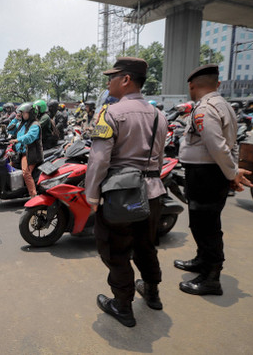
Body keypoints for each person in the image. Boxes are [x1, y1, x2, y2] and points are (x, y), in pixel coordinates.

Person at [85, 57, 168, 327]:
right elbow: (159, 158)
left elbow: (98, 161)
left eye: (112, 76)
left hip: (120, 196)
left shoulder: (110, 114)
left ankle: (123, 306)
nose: (108, 81)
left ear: (126, 80)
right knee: (146, 246)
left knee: (115, 250)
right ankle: (153, 294)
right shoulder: (159, 115)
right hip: (153, 193)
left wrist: (92, 197)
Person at [176, 64, 252, 296]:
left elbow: (217, 146)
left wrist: (232, 174)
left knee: (206, 226)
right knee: (203, 223)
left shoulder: (205, 109)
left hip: (205, 174)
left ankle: (211, 278)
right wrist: (233, 171)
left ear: (191, 86)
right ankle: (202, 260)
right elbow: (232, 143)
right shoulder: (225, 106)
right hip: (211, 173)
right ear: (217, 84)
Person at [9, 102, 43, 198]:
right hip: (19, 153)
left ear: (31, 113)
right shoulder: (22, 124)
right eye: (22, 113)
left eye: (25, 112)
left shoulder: (35, 125)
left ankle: (33, 195)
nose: (23, 114)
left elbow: (29, 137)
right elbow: (10, 130)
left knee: (26, 173)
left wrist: (17, 140)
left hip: (29, 154)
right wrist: (15, 118)